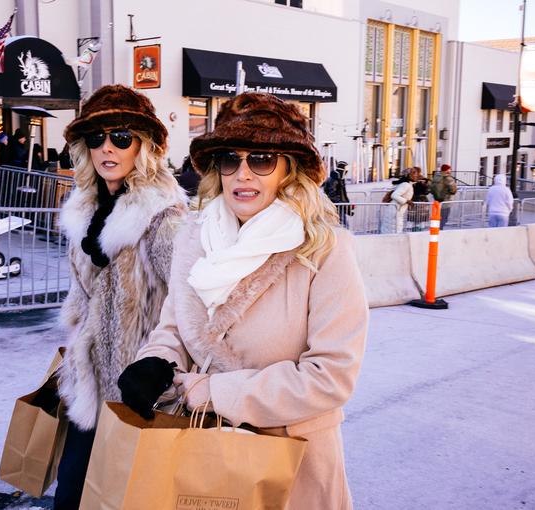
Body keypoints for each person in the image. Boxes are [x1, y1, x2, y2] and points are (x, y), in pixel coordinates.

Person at [118, 93, 368, 510]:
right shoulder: (194, 238)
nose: (243, 173)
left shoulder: (325, 249)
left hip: (292, 461)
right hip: (202, 446)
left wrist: (215, 391)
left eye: (263, 159)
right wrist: (156, 360)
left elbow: (331, 377)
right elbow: (176, 327)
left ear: (289, 169)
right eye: (231, 158)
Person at [54, 84, 187, 509]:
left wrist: (163, 373)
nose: (107, 148)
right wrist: (75, 348)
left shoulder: (164, 219)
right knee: (72, 494)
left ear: (143, 147)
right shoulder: (84, 213)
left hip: (140, 394)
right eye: (96, 139)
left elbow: (189, 309)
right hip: (90, 385)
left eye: (121, 138)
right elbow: (81, 297)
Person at [323, 160, 353, 226]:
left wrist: (347, 205)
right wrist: (342, 203)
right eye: (346, 170)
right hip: (336, 207)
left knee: (343, 224)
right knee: (342, 225)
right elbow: (332, 195)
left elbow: (343, 194)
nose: (347, 172)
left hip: (340, 206)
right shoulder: (333, 180)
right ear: (342, 170)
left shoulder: (340, 179)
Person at [431, 163, 458, 228]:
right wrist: (452, 191)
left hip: (437, 200)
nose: (450, 171)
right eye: (449, 169)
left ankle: (437, 229)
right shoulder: (448, 178)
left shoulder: (436, 177)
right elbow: (453, 190)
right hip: (446, 201)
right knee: (444, 218)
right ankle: (440, 231)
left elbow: (432, 188)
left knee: (437, 217)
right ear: (447, 170)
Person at [408, 167, 431, 231]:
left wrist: (425, 184)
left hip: (421, 201)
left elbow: (427, 191)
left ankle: (419, 231)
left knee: (421, 218)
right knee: (413, 218)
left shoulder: (424, 180)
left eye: (414, 171)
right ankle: (414, 230)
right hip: (414, 200)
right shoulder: (410, 179)